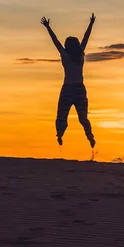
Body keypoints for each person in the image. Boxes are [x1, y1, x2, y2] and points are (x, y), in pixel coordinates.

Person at [41, 13, 96, 149]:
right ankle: (89, 135)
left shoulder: (65, 55)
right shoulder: (80, 54)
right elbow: (86, 37)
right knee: (83, 117)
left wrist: (48, 27)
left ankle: (59, 134)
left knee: (62, 114)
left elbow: (56, 41)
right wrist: (91, 24)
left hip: (67, 89)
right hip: (79, 89)